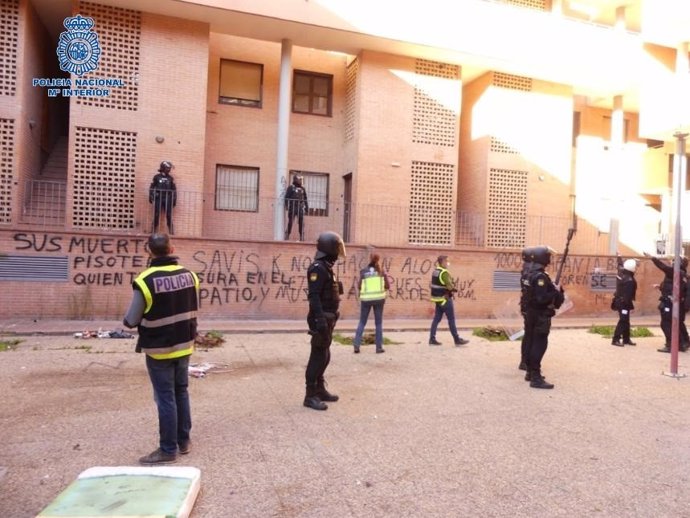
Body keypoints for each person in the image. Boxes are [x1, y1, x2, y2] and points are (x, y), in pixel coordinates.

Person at [123, 233, 200, 464]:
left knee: (165, 397)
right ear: (172, 248)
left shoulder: (144, 280)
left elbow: (131, 320)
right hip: (184, 344)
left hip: (159, 349)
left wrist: (128, 322)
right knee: (181, 391)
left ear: (149, 251)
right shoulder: (190, 276)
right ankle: (183, 441)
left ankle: (167, 449)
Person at [304, 231, 346, 411]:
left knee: (325, 355)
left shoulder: (326, 268)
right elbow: (313, 297)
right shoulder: (317, 268)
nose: (338, 252)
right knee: (318, 356)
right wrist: (320, 320)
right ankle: (310, 395)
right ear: (329, 248)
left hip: (329, 318)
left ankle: (320, 389)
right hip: (321, 319)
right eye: (336, 248)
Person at [521, 246, 564, 389]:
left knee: (531, 341)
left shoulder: (528, 273)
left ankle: (529, 372)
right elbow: (541, 298)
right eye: (547, 256)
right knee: (539, 344)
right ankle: (536, 377)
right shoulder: (540, 276)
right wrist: (556, 292)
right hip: (540, 315)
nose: (549, 258)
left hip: (531, 313)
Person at [646, 253, 689, 353]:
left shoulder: (676, 272)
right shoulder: (682, 274)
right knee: (676, 324)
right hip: (674, 302)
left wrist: (653, 258)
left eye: (673, 261)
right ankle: (682, 343)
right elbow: (673, 287)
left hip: (669, 303)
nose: (671, 262)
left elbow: (663, 267)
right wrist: (661, 287)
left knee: (666, 323)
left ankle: (671, 345)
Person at [353, 253, 390, 354]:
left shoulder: (364, 272)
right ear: (378, 260)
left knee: (362, 322)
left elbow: (360, 286)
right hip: (379, 299)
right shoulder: (381, 272)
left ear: (370, 259)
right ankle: (379, 347)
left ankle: (356, 345)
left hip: (366, 300)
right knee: (378, 323)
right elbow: (388, 286)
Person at [428, 255, 469, 347]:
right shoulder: (444, 273)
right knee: (451, 319)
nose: (448, 263)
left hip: (437, 300)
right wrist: (454, 288)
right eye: (447, 261)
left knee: (436, 319)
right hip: (445, 299)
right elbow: (450, 286)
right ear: (442, 262)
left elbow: (435, 284)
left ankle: (432, 339)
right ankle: (457, 339)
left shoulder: (435, 271)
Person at [518, 248, 543, 371]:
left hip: (525, 304)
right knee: (531, 335)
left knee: (528, 334)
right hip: (531, 306)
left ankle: (524, 360)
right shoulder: (531, 269)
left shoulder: (525, 269)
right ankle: (527, 362)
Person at [610, 256, 638, 346]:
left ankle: (626, 339)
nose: (636, 268)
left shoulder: (621, 274)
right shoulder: (630, 280)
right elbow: (628, 296)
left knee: (626, 320)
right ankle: (616, 339)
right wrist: (631, 307)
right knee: (623, 320)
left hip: (619, 301)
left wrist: (619, 258)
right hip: (624, 303)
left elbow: (620, 266)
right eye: (635, 267)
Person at [149, 161, 177, 234]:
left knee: (168, 214)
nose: (169, 169)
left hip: (167, 198)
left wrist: (174, 199)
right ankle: (153, 230)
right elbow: (152, 186)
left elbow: (174, 189)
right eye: (167, 168)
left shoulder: (170, 178)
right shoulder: (157, 177)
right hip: (159, 197)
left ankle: (171, 231)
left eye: (169, 168)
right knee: (156, 214)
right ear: (163, 168)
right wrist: (151, 195)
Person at [284, 175, 308, 241]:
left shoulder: (303, 188)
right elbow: (286, 197)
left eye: (301, 180)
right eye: (299, 179)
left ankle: (301, 236)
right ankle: (287, 234)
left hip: (300, 207)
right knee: (291, 222)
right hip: (292, 207)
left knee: (301, 222)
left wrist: (307, 208)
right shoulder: (291, 187)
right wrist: (286, 206)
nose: (300, 181)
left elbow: (305, 198)